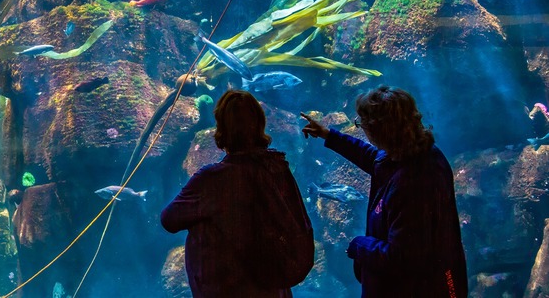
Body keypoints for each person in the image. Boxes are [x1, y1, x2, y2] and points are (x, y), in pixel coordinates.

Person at [301, 85, 468, 298]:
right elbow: (373, 158)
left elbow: (400, 258)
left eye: (362, 124)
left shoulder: (412, 183)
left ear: (380, 130)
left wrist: (358, 245)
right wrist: (329, 135)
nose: (360, 128)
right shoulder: (414, 153)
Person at [161, 90, 310, 298]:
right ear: (260, 124)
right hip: (273, 290)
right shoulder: (278, 169)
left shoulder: (211, 179)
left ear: (221, 129)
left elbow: (169, 220)